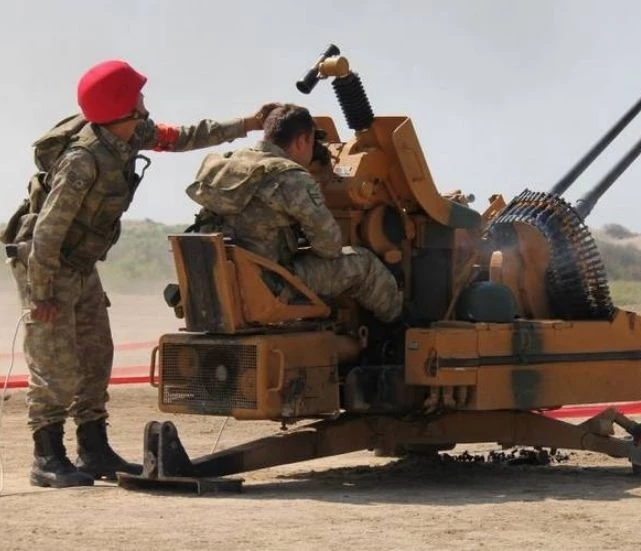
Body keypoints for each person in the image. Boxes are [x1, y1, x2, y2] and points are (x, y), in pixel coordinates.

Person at [2, 59, 279, 488]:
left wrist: (247, 122)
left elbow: (184, 136)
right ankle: (47, 456)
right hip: (49, 267)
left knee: (96, 358)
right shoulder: (82, 161)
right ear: (122, 109)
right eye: (138, 97)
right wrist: (43, 294)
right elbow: (47, 234)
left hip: (80, 266)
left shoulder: (129, 137)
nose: (145, 103)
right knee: (55, 367)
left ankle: (93, 449)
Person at [184, 103, 403, 324]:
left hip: (215, 283)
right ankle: (398, 328)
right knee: (362, 263)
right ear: (302, 141)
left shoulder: (225, 165)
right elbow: (330, 247)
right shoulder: (292, 178)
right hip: (270, 287)